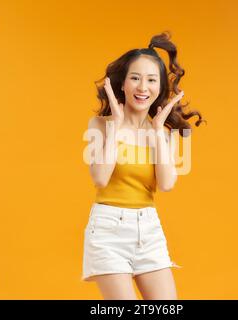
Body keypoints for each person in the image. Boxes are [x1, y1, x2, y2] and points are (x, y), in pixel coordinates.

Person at [82, 31, 205, 300]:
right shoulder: (100, 126)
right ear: (123, 84)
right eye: (135, 78)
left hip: (148, 230)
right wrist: (115, 125)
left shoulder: (163, 132)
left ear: (160, 88)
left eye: (151, 80)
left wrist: (158, 130)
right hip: (108, 229)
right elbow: (100, 178)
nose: (142, 87)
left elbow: (167, 184)